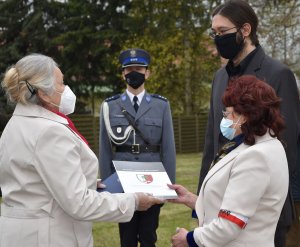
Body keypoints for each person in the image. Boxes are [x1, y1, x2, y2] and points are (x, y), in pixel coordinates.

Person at [0, 54, 162, 247]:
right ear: (43, 93)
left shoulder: (16, 124)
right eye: (61, 84)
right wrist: (133, 202)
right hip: (50, 236)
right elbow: (78, 203)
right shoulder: (49, 132)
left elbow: (37, 181)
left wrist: (89, 183)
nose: (66, 89)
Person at [198, 1, 300, 246]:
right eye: (214, 33)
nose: (217, 38)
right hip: (219, 205)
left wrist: (246, 192)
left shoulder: (277, 74)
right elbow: (213, 141)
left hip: (260, 209)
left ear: (245, 30)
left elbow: (288, 146)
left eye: (223, 32)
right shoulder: (219, 78)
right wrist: (202, 197)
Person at [168, 75, 289, 247]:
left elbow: (230, 224)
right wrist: (192, 199)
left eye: (228, 113)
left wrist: (189, 239)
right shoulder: (263, 145)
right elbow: (237, 203)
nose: (225, 118)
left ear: (245, 116)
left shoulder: (256, 157)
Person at [99, 48, 176, 247]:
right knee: (127, 237)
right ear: (123, 73)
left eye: (139, 68)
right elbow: (105, 148)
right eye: (129, 69)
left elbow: (168, 148)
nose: (134, 73)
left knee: (149, 236)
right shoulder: (110, 105)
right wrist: (109, 187)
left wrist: (169, 187)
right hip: (122, 181)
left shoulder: (161, 105)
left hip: (153, 179)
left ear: (147, 73)